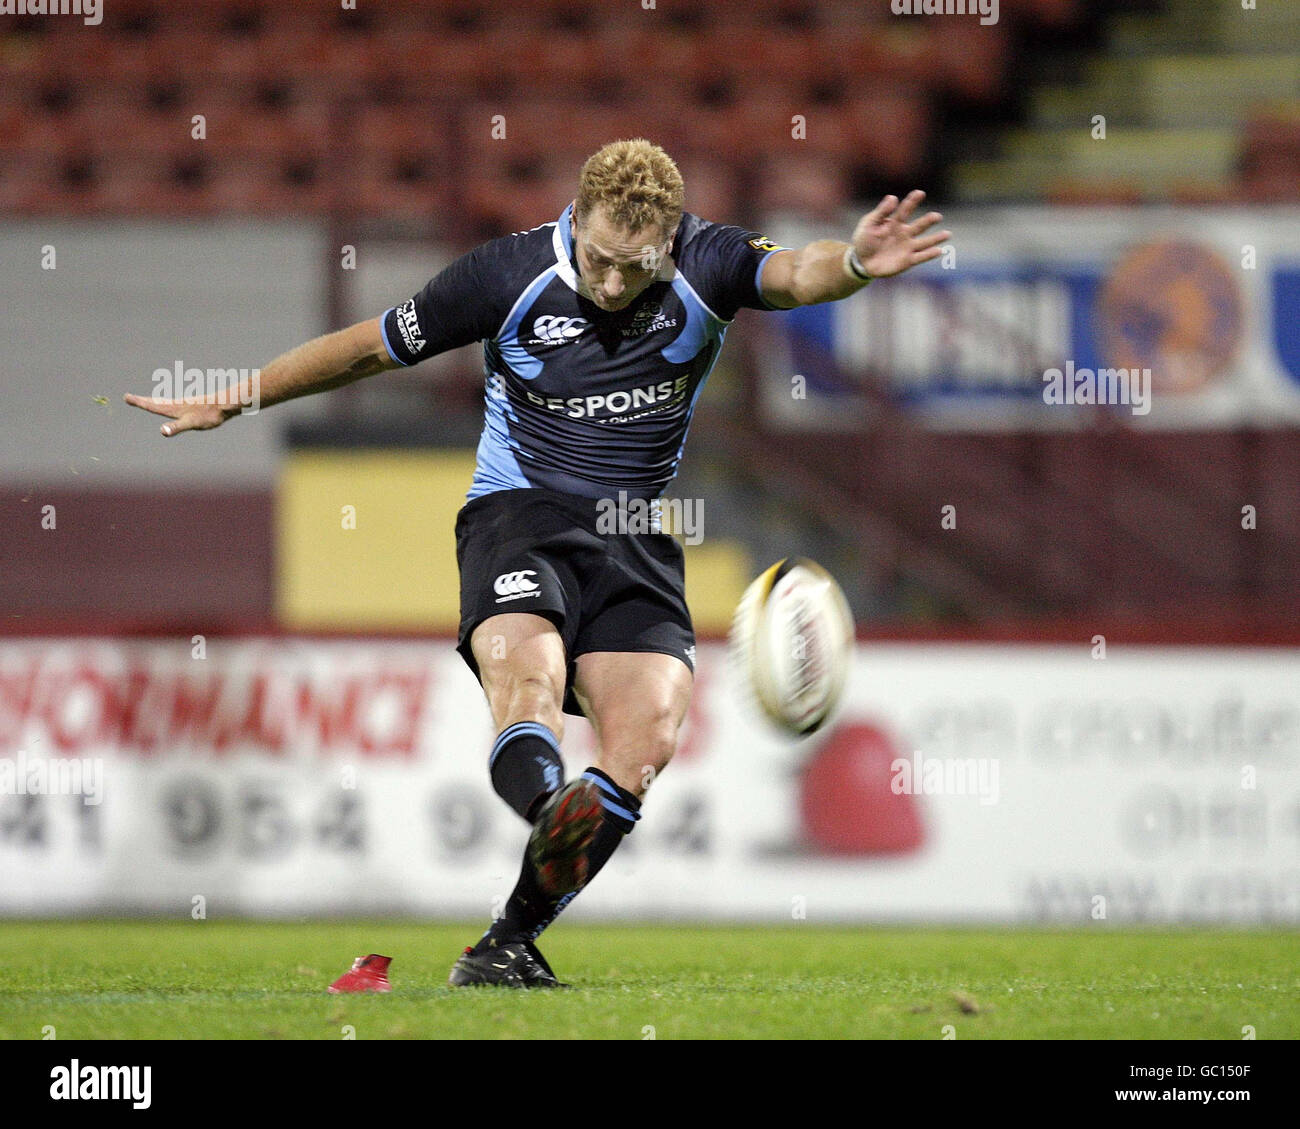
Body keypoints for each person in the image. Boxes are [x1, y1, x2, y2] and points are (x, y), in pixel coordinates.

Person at [126, 138, 950, 988]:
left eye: (633, 267)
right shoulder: (505, 274)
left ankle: (507, 942)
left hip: (634, 534)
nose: (610, 283)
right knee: (527, 681)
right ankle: (551, 806)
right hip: (518, 516)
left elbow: (797, 275)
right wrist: (239, 392)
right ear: (574, 219)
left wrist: (853, 261)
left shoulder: (709, 262)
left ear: (668, 241)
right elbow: (372, 347)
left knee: (645, 741)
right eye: (597, 258)